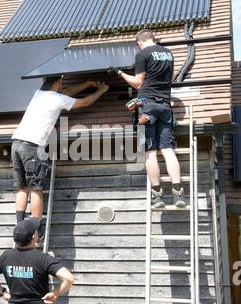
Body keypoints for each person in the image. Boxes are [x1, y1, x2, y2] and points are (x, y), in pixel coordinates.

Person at [11, 77, 109, 236]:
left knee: (22, 187)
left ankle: (19, 226)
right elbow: (84, 103)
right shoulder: (57, 99)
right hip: (32, 146)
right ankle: (36, 230)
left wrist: (87, 82)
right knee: (36, 188)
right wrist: (100, 90)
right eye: (61, 83)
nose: (63, 86)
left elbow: (67, 92)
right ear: (56, 84)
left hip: (16, 143)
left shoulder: (39, 94)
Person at [111, 29, 186, 208]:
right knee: (168, 149)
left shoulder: (142, 54)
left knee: (150, 151)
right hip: (165, 106)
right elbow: (172, 77)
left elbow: (138, 83)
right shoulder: (168, 53)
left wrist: (119, 72)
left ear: (139, 43)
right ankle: (178, 194)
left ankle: (157, 196)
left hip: (147, 106)